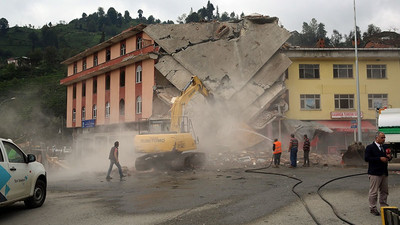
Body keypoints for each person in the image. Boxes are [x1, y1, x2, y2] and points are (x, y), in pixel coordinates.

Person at [365, 131, 392, 216]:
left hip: (384, 172)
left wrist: (389, 157)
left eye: (384, 137)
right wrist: (379, 159)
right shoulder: (370, 147)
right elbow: (367, 158)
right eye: (382, 137)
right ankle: (373, 208)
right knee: (374, 192)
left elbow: (387, 158)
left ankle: (383, 206)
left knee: (384, 191)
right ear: (377, 138)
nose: (384, 139)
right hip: (374, 173)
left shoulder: (384, 147)